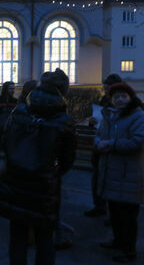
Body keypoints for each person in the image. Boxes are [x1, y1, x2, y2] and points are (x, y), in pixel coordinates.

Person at [0, 68, 76, 265]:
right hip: (44, 188)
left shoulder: (19, 112)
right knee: (45, 238)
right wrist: (51, 172)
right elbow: (68, 159)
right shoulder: (64, 121)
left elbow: (6, 143)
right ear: (63, 91)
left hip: (15, 181)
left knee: (18, 237)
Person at [96, 82, 144, 263]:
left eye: (123, 96)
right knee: (114, 212)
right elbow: (100, 135)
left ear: (130, 97)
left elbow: (137, 142)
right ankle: (117, 241)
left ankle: (129, 250)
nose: (120, 99)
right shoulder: (109, 116)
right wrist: (98, 143)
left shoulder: (138, 116)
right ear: (111, 100)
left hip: (129, 175)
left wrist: (110, 144)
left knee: (128, 217)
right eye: (116, 97)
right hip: (112, 173)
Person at [84, 73, 122, 218]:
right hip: (100, 146)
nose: (105, 92)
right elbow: (98, 120)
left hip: (114, 147)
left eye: (107, 89)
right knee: (97, 178)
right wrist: (91, 122)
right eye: (104, 89)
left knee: (113, 183)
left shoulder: (123, 102)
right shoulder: (104, 100)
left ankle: (114, 216)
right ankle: (99, 207)